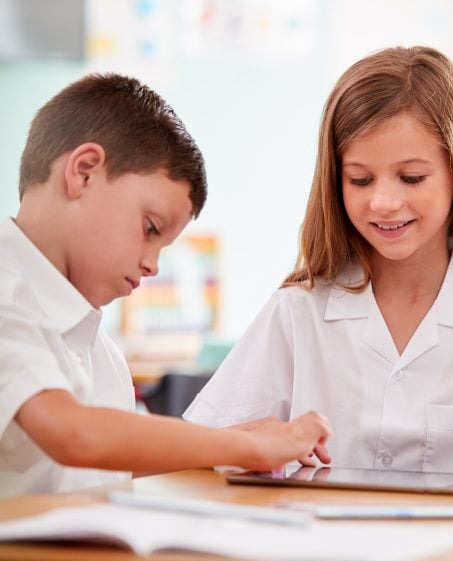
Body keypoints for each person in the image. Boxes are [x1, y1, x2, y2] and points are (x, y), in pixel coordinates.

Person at [184, 46, 453, 480]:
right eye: (360, 180)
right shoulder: (296, 313)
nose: (383, 202)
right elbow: (204, 448)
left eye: (412, 178)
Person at [0, 73, 331, 498]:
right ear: (83, 173)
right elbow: (74, 436)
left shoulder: (104, 359)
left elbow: (109, 461)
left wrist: (236, 439)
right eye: (150, 228)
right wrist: (245, 445)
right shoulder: (7, 292)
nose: (153, 266)